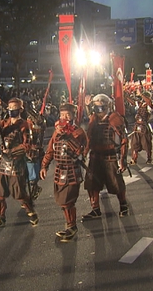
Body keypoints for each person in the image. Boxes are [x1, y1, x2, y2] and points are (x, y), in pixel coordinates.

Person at [0, 97, 38, 228]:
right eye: (9, 108)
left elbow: (26, 145)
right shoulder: (4, 122)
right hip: (3, 162)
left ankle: (31, 212)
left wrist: (13, 151)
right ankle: (1, 218)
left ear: (20, 109)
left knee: (19, 192)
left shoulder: (25, 125)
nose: (11, 110)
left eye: (14, 108)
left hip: (16, 162)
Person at [41, 103, 87, 242]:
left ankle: (71, 227)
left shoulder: (78, 132)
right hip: (59, 170)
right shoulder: (57, 132)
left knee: (68, 200)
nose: (64, 118)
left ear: (73, 116)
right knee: (62, 201)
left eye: (67, 115)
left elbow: (84, 148)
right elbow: (50, 150)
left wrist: (71, 139)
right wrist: (44, 166)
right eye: (62, 115)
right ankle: (69, 225)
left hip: (72, 170)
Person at [82, 94, 129, 219]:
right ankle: (95, 209)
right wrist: (84, 153)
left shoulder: (115, 118)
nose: (99, 110)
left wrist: (123, 159)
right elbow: (89, 137)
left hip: (111, 156)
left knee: (116, 183)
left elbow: (124, 139)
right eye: (96, 106)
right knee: (92, 184)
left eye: (101, 106)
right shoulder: (93, 119)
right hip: (95, 156)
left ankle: (123, 205)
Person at [25, 108, 45, 200]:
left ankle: (32, 192)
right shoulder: (26, 126)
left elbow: (39, 122)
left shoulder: (40, 124)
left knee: (33, 177)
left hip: (36, 152)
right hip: (26, 151)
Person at [129, 92, 153, 164]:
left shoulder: (149, 105)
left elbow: (148, 102)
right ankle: (134, 159)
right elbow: (133, 102)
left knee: (146, 144)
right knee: (134, 143)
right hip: (137, 126)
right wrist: (125, 96)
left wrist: (141, 94)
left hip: (144, 126)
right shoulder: (140, 104)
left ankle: (149, 158)